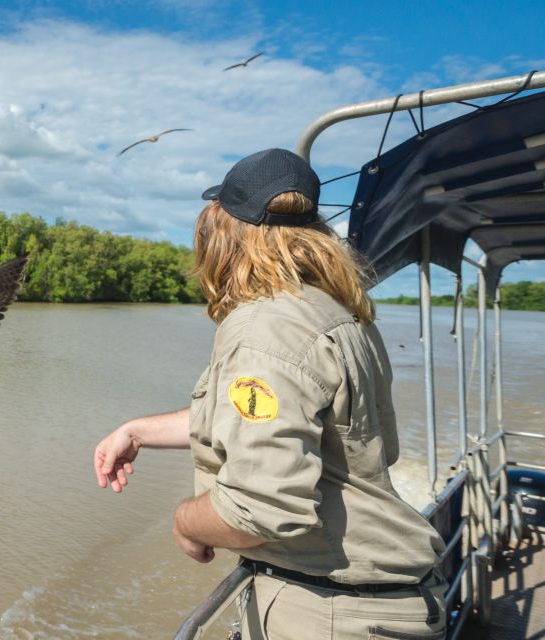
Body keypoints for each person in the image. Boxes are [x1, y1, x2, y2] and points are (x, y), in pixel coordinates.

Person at [93, 149, 447, 640]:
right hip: (377, 602)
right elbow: (269, 415)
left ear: (226, 233)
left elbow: (262, 508)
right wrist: (137, 430)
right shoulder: (335, 313)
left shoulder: (266, 331)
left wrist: (186, 522)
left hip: (332, 613)